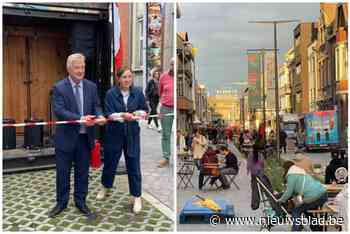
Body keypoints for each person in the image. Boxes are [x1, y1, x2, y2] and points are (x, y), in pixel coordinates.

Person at [49, 53, 106, 218]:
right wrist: (80, 119)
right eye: (77, 67)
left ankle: (81, 202)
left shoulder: (91, 86)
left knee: (82, 173)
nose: (81, 70)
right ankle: (61, 203)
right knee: (63, 172)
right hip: (65, 139)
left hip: (84, 138)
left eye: (83, 67)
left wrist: (100, 116)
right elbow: (59, 111)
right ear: (69, 68)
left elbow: (96, 106)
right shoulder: (59, 88)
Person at [96, 68, 148, 214]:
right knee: (110, 162)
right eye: (124, 77)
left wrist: (139, 113)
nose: (127, 80)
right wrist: (122, 115)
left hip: (132, 134)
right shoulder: (111, 94)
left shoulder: (137, 92)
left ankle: (136, 196)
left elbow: (145, 110)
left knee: (133, 164)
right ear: (118, 79)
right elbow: (108, 114)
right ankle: (105, 187)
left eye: (129, 77)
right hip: (114, 134)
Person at [277, 160, 327, 231]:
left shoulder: (291, 175)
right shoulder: (300, 172)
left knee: (296, 210)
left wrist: (281, 200)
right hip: (323, 193)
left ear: (286, 169)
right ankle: (315, 228)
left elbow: (289, 192)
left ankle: (296, 230)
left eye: (283, 169)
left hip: (315, 196)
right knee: (305, 208)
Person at [158, 58, 174, 168]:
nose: (174, 66)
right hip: (166, 108)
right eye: (172, 64)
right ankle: (166, 157)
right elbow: (160, 92)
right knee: (166, 134)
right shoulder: (163, 76)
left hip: (177, 109)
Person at [247, 143, 265, 210]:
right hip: (260, 173)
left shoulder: (250, 155)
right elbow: (263, 164)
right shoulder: (260, 155)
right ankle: (262, 202)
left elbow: (249, 164)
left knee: (254, 189)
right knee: (261, 188)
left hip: (253, 174)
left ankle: (255, 204)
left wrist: (248, 170)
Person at [145, 67, 161, 132]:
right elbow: (146, 90)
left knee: (152, 112)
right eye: (156, 74)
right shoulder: (150, 81)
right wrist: (147, 99)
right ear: (154, 74)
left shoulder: (159, 81)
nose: (157, 75)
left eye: (158, 74)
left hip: (156, 99)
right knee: (154, 111)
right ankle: (158, 126)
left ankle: (148, 124)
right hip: (151, 98)